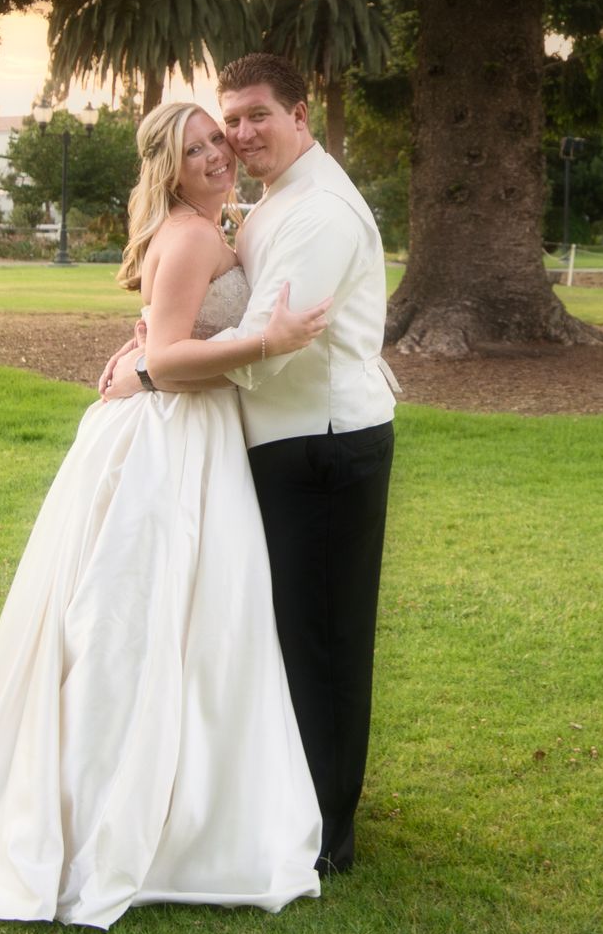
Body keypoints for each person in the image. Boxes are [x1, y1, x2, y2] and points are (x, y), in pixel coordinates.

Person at [0, 100, 333, 929]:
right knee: (143, 621)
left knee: (174, 623)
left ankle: (174, 808)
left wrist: (145, 351)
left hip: (185, 430)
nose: (215, 156)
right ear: (166, 166)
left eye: (217, 142)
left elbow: (160, 342)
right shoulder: (196, 233)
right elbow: (170, 355)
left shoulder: (201, 226)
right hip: (169, 442)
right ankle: (128, 819)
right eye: (195, 147)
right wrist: (264, 343)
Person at [101, 53, 398, 875]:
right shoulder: (267, 204)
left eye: (257, 115)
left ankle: (327, 837)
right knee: (279, 637)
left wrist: (151, 367)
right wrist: (154, 342)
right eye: (230, 120)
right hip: (271, 444)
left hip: (324, 444)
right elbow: (194, 310)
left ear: (302, 115)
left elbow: (267, 348)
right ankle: (281, 800)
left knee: (325, 643)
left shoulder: (319, 213)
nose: (239, 135)